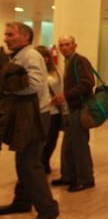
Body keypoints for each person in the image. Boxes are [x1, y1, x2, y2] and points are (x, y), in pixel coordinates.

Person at [0, 22, 59, 218]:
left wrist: (7, 87)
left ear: (25, 37)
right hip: (26, 117)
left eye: (10, 34)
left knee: (30, 165)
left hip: (36, 117)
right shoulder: (19, 55)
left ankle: (48, 209)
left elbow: (34, 85)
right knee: (23, 162)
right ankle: (22, 202)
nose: (5, 38)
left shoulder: (30, 55)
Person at [51, 35, 95, 192]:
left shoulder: (80, 60)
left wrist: (66, 95)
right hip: (70, 110)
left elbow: (88, 82)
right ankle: (68, 176)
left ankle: (85, 179)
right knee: (68, 145)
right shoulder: (68, 62)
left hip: (80, 108)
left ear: (74, 46)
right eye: (61, 45)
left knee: (79, 145)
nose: (64, 48)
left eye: (67, 44)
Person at [35, 45, 67, 174]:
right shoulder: (34, 73)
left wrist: (61, 103)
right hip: (41, 112)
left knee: (52, 140)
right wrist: (49, 102)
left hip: (55, 112)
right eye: (41, 57)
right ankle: (40, 164)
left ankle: (45, 162)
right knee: (42, 141)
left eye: (46, 56)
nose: (44, 59)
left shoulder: (56, 72)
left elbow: (61, 89)